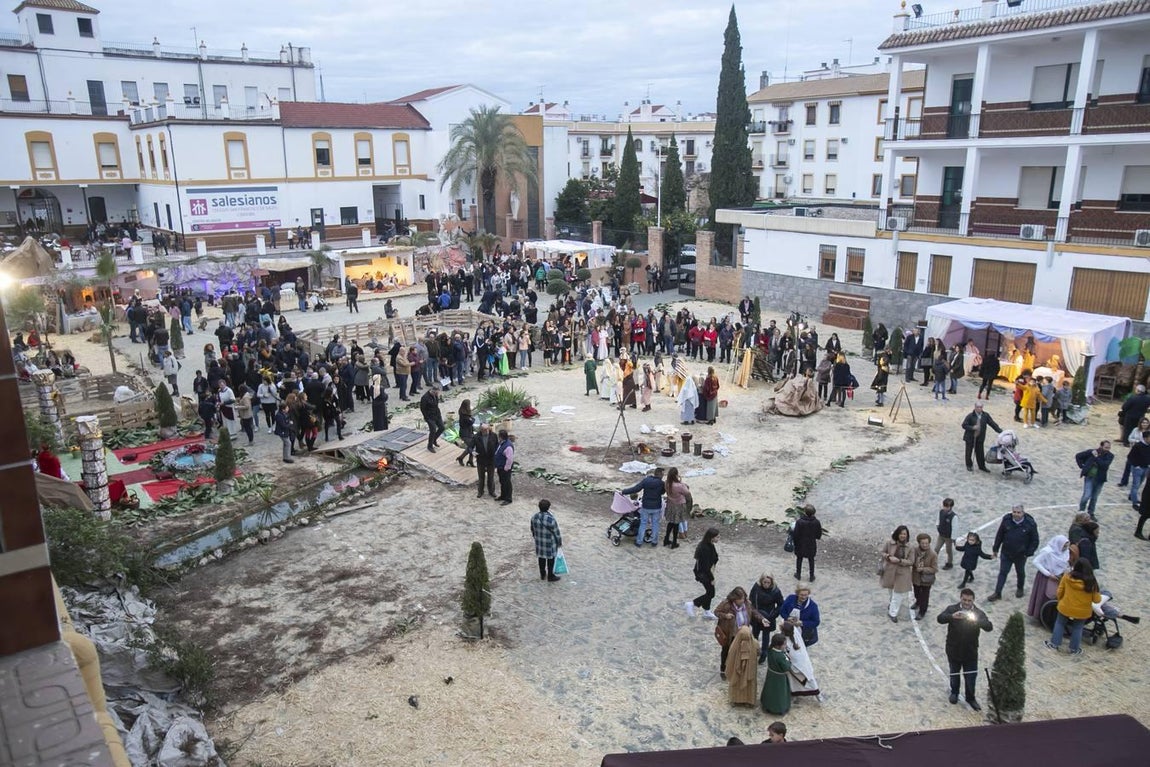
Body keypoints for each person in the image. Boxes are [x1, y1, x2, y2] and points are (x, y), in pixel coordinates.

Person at [937, 589, 993, 710]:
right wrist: (952, 617)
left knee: (971, 677)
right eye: (964, 600)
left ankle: (971, 698)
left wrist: (977, 621)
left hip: (970, 652)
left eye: (969, 600)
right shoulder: (953, 609)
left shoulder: (978, 613)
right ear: (960, 598)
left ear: (973, 600)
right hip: (953, 649)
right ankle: (954, 693)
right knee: (954, 673)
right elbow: (940, 618)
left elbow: (989, 627)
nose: (967, 602)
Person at [1043, 559, 1102, 656]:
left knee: (1060, 623)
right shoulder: (1092, 582)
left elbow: (1059, 592)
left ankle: (1054, 644)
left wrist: (1061, 600)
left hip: (1066, 606)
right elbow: (1097, 600)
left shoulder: (1067, 577)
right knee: (1078, 628)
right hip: (1082, 611)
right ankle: (1074, 649)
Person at [988, 503, 1040, 601]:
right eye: (1014, 512)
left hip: (1021, 555)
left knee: (1020, 572)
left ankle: (1020, 588)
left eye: (1018, 512)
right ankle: (997, 592)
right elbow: (999, 535)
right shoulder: (1006, 520)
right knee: (1003, 572)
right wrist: (995, 549)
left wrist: (1028, 553)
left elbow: (1035, 540)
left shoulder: (1030, 524)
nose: (1016, 514)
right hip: (1006, 553)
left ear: (1023, 513)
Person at [714, 588, 767, 681]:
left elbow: (754, 612)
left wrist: (762, 619)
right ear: (734, 599)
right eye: (740, 599)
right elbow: (716, 612)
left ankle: (735, 669)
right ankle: (723, 669)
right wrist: (725, 616)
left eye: (744, 598)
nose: (743, 600)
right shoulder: (726, 604)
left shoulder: (747, 603)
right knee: (726, 651)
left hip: (743, 633)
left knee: (739, 652)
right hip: (730, 633)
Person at [621, 468, 666, 549]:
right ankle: (654, 542)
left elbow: (636, 489)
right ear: (660, 474)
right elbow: (663, 492)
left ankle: (639, 542)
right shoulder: (662, 483)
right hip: (656, 506)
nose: (663, 476)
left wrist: (624, 491)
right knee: (655, 524)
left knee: (643, 523)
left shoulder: (646, 480)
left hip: (646, 506)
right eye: (662, 474)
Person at [1028, 534, 1071, 619]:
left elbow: (1065, 563)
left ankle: (1050, 617)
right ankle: (1040, 615)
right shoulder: (1048, 552)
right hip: (1046, 577)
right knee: (1044, 596)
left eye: (1066, 546)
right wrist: (1048, 574)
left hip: (1059, 577)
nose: (1065, 548)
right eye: (1064, 546)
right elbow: (1036, 562)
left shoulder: (1065, 552)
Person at [879, 525, 914, 622]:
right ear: (897, 534)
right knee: (891, 591)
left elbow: (911, 561)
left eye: (905, 534)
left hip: (902, 573)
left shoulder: (910, 547)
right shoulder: (889, 543)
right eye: (901, 533)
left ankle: (892, 613)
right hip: (890, 571)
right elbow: (882, 552)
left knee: (898, 594)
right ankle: (891, 605)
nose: (903, 536)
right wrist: (888, 556)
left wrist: (899, 561)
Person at [780, 621, 820, 701]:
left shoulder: (787, 642)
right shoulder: (794, 633)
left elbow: (790, 655)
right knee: (793, 682)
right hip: (796, 664)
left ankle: (817, 695)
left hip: (798, 665)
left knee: (809, 681)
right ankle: (794, 694)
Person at [749, 574, 784, 664]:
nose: (766, 584)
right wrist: (754, 612)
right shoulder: (756, 588)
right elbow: (750, 601)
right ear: (761, 581)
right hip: (756, 615)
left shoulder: (775, 591)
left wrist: (772, 615)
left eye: (768, 582)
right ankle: (754, 650)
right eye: (764, 582)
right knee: (755, 634)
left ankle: (764, 653)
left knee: (766, 636)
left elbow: (780, 604)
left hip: (769, 616)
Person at [688, 527, 720, 619]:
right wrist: (712, 578)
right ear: (711, 537)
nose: (718, 539)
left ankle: (707, 611)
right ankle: (692, 604)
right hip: (703, 574)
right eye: (717, 537)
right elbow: (706, 567)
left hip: (707, 572)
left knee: (709, 592)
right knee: (711, 593)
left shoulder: (710, 545)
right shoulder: (704, 548)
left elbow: (715, 557)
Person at [1075, 441, 1113, 518]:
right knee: (1086, 496)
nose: (1107, 449)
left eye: (1109, 447)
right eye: (1106, 447)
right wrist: (1082, 466)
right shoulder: (1091, 452)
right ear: (1101, 446)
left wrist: (1096, 457)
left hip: (1100, 479)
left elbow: (1104, 465)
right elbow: (1078, 456)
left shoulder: (1110, 455)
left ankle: (1091, 513)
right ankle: (1081, 511)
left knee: (1094, 497)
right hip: (1090, 477)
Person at [961, 402, 1002, 472]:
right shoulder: (970, 416)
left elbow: (992, 423)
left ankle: (982, 466)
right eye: (978, 407)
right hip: (970, 437)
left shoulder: (985, 415)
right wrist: (972, 427)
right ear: (975, 407)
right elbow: (964, 425)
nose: (979, 409)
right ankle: (969, 465)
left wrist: (1000, 431)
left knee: (980, 452)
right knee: (969, 452)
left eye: (981, 407)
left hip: (980, 437)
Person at [530, 499, 563, 583]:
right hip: (549, 543)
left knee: (541, 557)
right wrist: (559, 542)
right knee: (550, 559)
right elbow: (556, 532)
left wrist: (536, 537)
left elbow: (532, 529)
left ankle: (542, 574)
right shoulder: (551, 519)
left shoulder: (534, 517)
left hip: (539, 542)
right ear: (548, 508)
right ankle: (550, 575)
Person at [725, 626, 758, 705]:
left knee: (736, 682)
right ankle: (749, 700)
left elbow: (730, 659)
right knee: (749, 684)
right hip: (750, 672)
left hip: (737, 672)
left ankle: (736, 699)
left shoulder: (734, 646)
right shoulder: (754, 643)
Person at [760, 634, 793, 716]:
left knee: (769, 691)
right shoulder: (780, 656)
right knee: (779, 693)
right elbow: (786, 667)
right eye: (784, 644)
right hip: (779, 678)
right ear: (778, 645)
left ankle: (767, 705)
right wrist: (789, 661)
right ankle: (779, 708)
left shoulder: (770, 650)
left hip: (771, 674)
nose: (785, 646)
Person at [791, 504, 823, 582]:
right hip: (811, 544)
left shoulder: (800, 522)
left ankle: (798, 574)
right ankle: (811, 576)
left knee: (799, 558)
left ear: (805, 512)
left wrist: (795, 542)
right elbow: (819, 534)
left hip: (800, 543)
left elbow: (795, 534)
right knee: (811, 559)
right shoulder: (816, 522)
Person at [911, 533, 939, 621]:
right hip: (916, 577)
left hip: (926, 580)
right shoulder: (915, 550)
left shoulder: (933, 554)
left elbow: (934, 569)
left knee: (925, 596)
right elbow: (911, 560)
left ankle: (922, 611)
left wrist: (923, 569)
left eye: (926, 543)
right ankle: (918, 602)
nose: (925, 545)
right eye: (923, 543)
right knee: (916, 592)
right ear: (919, 543)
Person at [663, 467, 690, 548]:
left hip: (670, 505)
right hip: (679, 505)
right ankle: (674, 542)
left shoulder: (666, 483)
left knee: (671, 522)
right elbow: (687, 492)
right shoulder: (679, 486)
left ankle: (666, 539)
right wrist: (681, 482)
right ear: (676, 475)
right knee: (676, 524)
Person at [474, 422, 498, 499]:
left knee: (491, 477)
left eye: (487, 429)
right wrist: (473, 452)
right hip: (481, 460)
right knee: (481, 478)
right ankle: (480, 491)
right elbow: (470, 447)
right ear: (481, 430)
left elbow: (497, 445)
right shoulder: (476, 436)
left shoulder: (493, 435)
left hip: (491, 460)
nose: (486, 431)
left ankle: (491, 491)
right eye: (484, 430)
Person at [419, 385, 444, 452]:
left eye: (437, 393)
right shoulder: (425, 397)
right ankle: (430, 446)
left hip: (437, 414)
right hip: (430, 417)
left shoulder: (435, 395)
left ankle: (434, 439)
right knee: (433, 430)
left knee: (442, 427)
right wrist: (426, 417)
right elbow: (422, 409)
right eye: (436, 393)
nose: (437, 394)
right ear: (432, 391)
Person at [935, 497, 957, 570]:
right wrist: (938, 526)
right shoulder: (941, 512)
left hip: (948, 537)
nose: (944, 507)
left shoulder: (954, 516)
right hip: (941, 535)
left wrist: (953, 538)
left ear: (950, 507)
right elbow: (938, 519)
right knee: (936, 549)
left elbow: (954, 528)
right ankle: (933, 561)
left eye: (946, 506)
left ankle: (949, 563)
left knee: (948, 550)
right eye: (944, 506)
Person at [494, 430, 515, 505]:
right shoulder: (502, 443)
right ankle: (503, 495)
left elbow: (510, 459)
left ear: (500, 437)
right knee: (502, 482)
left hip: (505, 468)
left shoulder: (508, 446)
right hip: (500, 467)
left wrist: (506, 468)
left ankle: (508, 498)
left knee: (507, 483)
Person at [455, 399, 475, 467]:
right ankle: (465, 459)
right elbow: (471, 421)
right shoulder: (465, 416)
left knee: (471, 447)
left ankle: (468, 460)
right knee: (471, 447)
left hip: (469, 432)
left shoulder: (463, 412)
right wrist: (472, 417)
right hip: (465, 434)